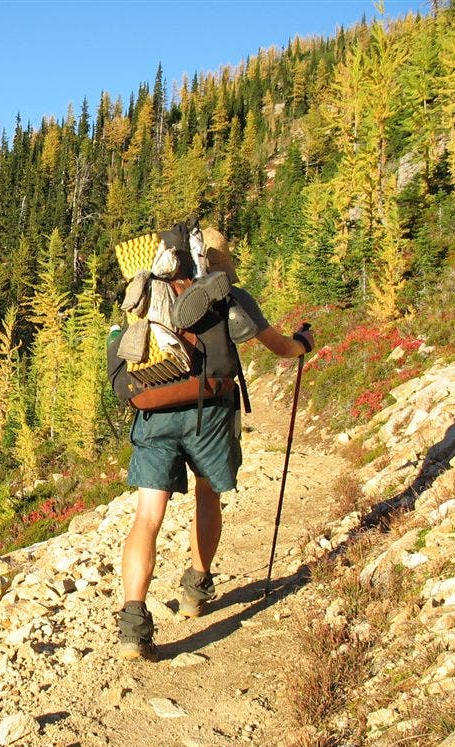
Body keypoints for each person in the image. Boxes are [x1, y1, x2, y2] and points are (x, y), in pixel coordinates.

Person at [115, 229, 314, 661]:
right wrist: (303, 344)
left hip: (155, 412)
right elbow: (280, 347)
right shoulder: (229, 294)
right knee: (207, 498)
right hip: (212, 411)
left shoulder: (145, 298)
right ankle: (196, 589)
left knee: (147, 516)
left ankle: (132, 622)